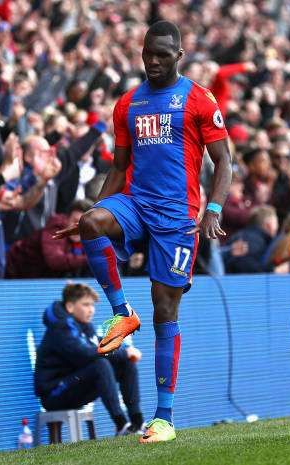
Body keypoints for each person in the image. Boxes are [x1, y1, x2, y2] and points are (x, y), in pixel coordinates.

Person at [54, 21, 232, 443]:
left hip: (178, 216)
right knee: (93, 224)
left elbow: (224, 161)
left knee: (165, 309)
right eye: (148, 53)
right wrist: (88, 213)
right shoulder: (128, 104)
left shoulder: (198, 100)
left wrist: (214, 207)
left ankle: (164, 418)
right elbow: (118, 167)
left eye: (162, 55)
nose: (153, 61)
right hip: (136, 203)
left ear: (179, 55)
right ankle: (121, 312)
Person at [34, 283, 144, 436]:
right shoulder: (61, 328)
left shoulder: (84, 326)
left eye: (92, 305)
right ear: (70, 306)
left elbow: (100, 346)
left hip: (73, 386)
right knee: (100, 364)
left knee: (126, 364)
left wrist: (125, 353)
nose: (91, 309)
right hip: (54, 394)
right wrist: (124, 353)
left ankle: (136, 423)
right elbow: (85, 353)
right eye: (85, 304)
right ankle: (121, 425)